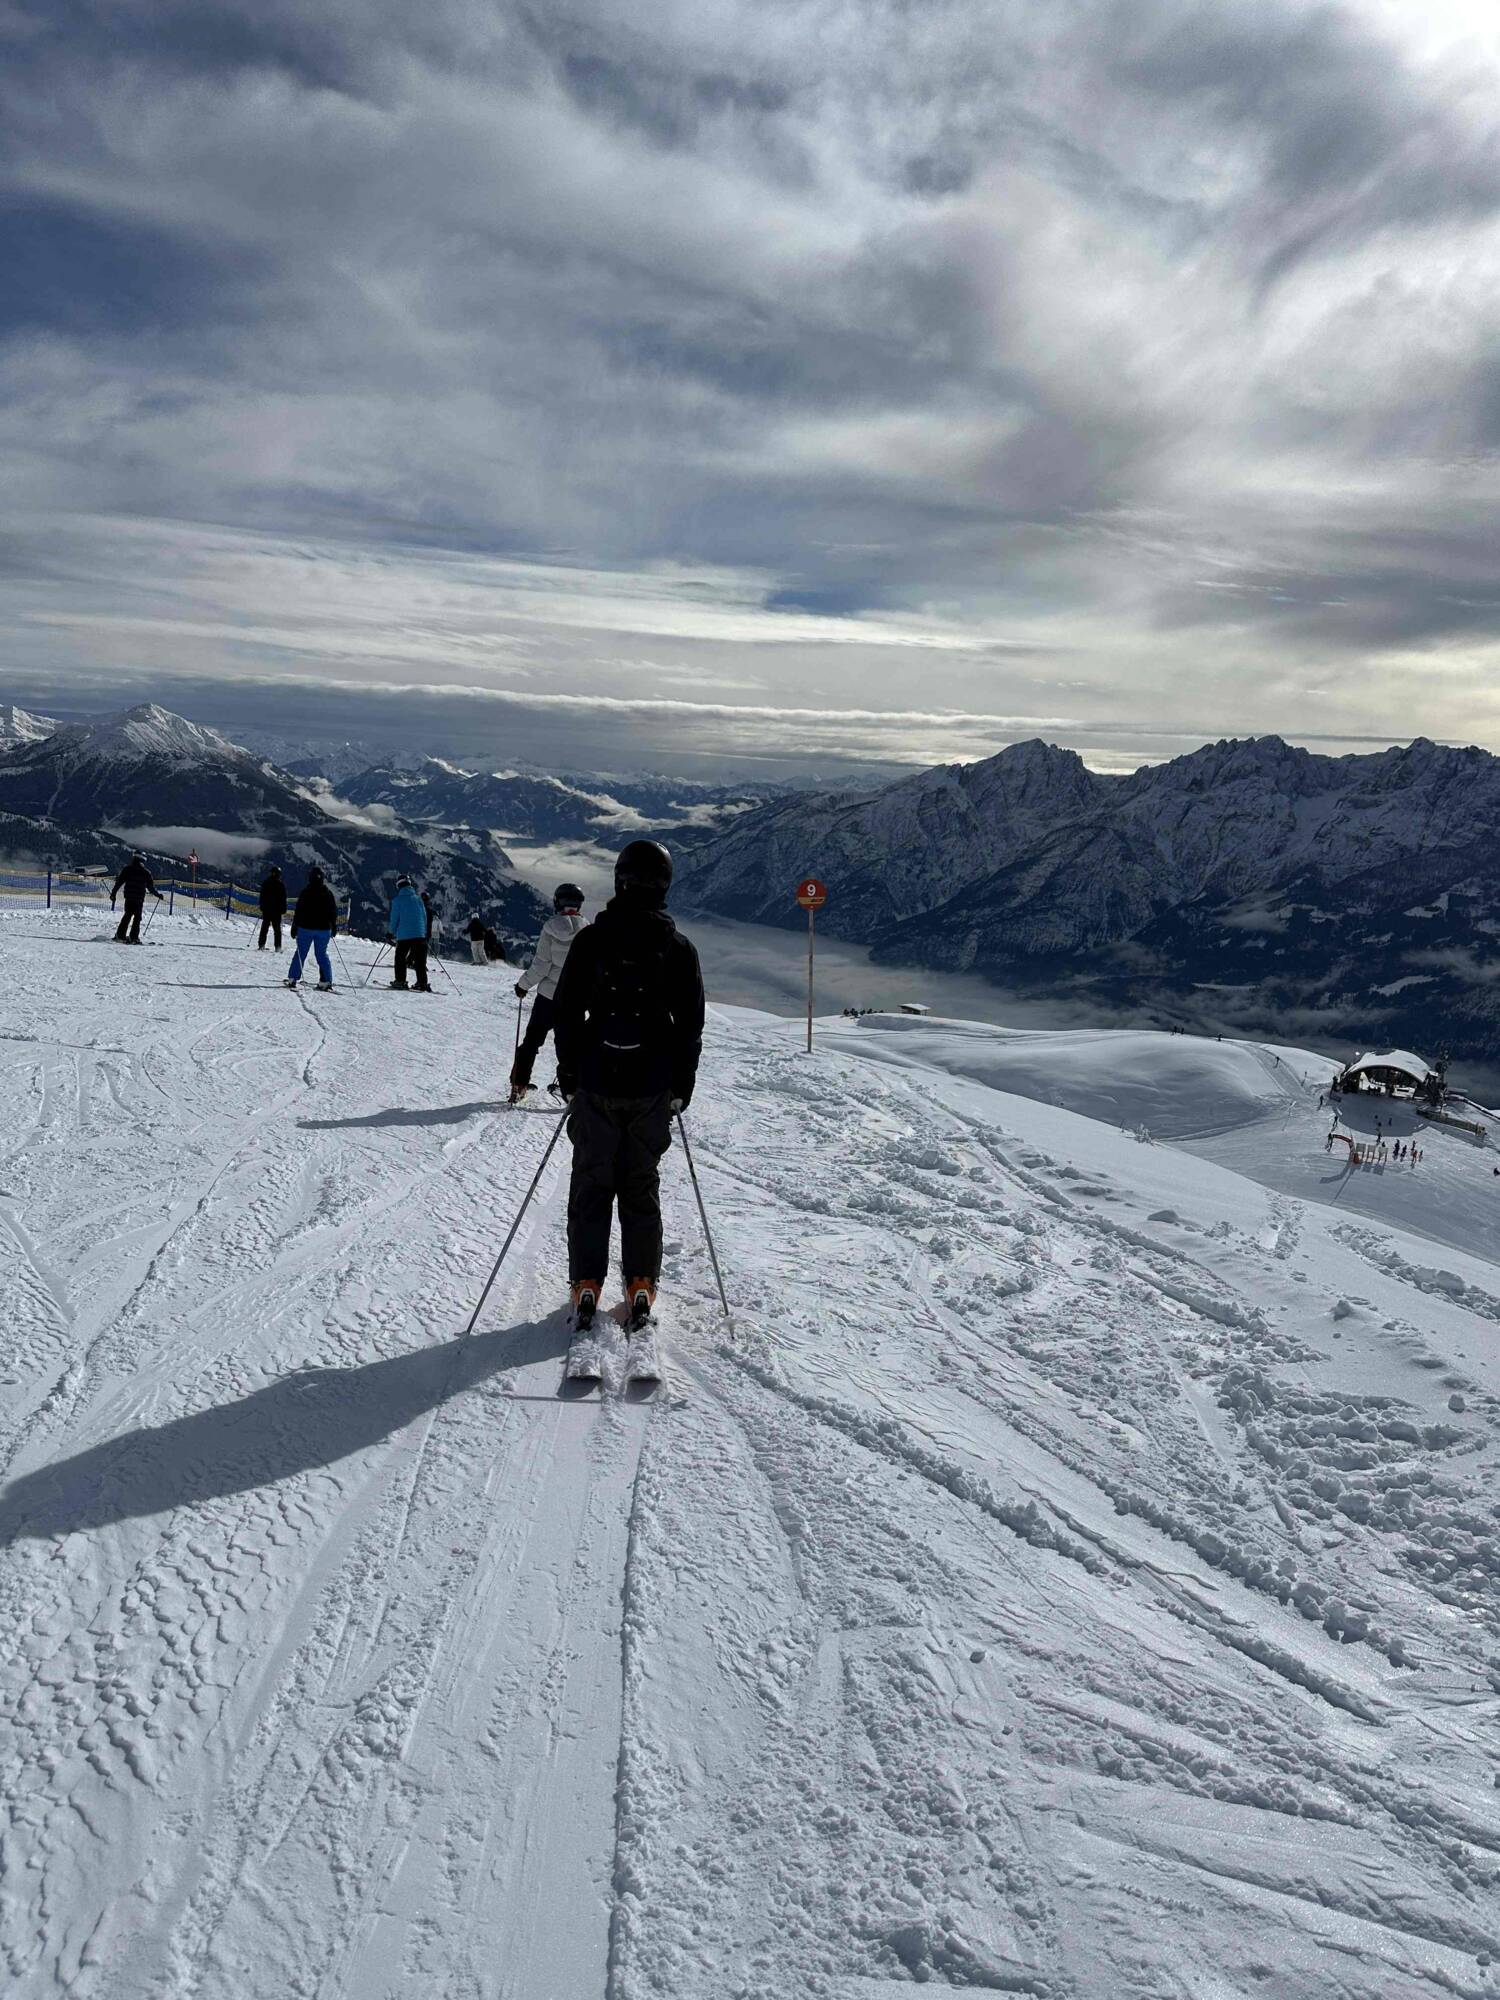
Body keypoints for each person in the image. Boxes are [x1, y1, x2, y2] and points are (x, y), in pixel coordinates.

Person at [552, 843, 703, 1331]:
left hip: (597, 1078)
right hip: (653, 1085)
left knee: (592, 1183)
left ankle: (586, 1282)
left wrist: (569, 1072)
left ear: (620, 880)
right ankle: (641, 1283)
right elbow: (690, 1026)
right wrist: (682, 1084)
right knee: (640, 1185)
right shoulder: (678, 948)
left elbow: (567, 1011)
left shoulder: (591, 941)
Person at [510, 882, 587, 1103]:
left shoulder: (550, 927)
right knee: (569, 1047)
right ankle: (571, 1092)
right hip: (574, 999)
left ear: (557, 902)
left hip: (548, 998)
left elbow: (541, 965)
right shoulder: (588, 930)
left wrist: (523, 985)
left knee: (532, 1042)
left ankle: (519, 1084)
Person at [286, 866, 337, 990]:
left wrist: (295, 925)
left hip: (305, 928)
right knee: (321, 954)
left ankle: (293, 978)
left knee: (301, 952)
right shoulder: (328, 893)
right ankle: (325, 981)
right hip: (324, 929)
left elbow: (299, 911)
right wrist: (333, 925)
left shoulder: (305, 892)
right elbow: (333, 911)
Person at [388, 876, 431, 991]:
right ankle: (422, 983)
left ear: (398, 886)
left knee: (400, 958)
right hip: (420, 934)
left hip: (404, 936)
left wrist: (390, 932)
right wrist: (424, 932)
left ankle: (400, 981)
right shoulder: (419, 899)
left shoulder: (397, 901)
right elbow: (424, 917)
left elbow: (395, 919)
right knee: (420, 961)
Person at [111, 851, 162, 943]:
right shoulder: (146, 872)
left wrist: (113, 893)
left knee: (127, 915)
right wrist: (157, 894)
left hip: (129, 897)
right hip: (139, 899)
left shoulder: (127, 869)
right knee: (137, 918)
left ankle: (120, 935)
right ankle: (134, 937)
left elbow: (119, 882)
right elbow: (150, 887)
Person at [258, 865, 287, 950]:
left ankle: (261, 945)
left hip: (267, 909)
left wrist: (262, 906)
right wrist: (283, 909)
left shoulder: (266, 883)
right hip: (277, 911)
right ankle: (278, 947)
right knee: (277, 930)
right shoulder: (280, 885)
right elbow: (283, 898)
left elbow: (262, 896)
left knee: (264, 928)